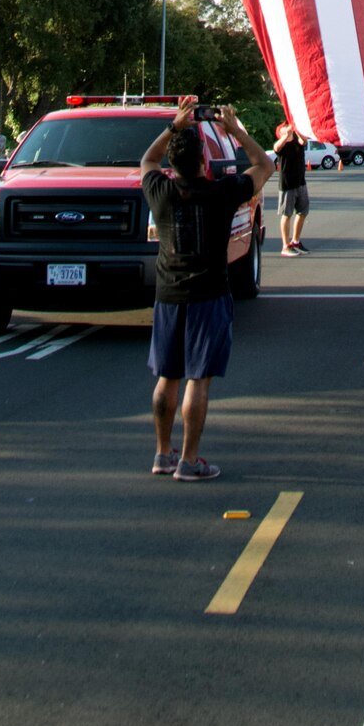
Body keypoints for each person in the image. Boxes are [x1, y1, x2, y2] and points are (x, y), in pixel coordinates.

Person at [140, 101, 273, 482]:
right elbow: (265, 166)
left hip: (168, 296)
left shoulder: (159, 190)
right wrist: (234, 130)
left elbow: (147, 160)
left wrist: (172, 126)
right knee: (198, 379)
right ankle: (191, 460)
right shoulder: (222, 192)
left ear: (173, 165)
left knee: (167, 377)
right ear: (203, 163)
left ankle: (163, 454)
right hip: (208, 296)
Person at [273, 121, 312, 256]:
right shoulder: (282, 147)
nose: (288, 129)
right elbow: (276, 147)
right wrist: (285, 135)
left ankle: (295, 241)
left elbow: (304, 140)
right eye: (285, 128)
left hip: (301, 183)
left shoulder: (297, 143)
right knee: (287, 214)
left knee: (303, 212)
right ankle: (285, 245)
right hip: (287, 185)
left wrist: (297, 130)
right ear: (281, 133)